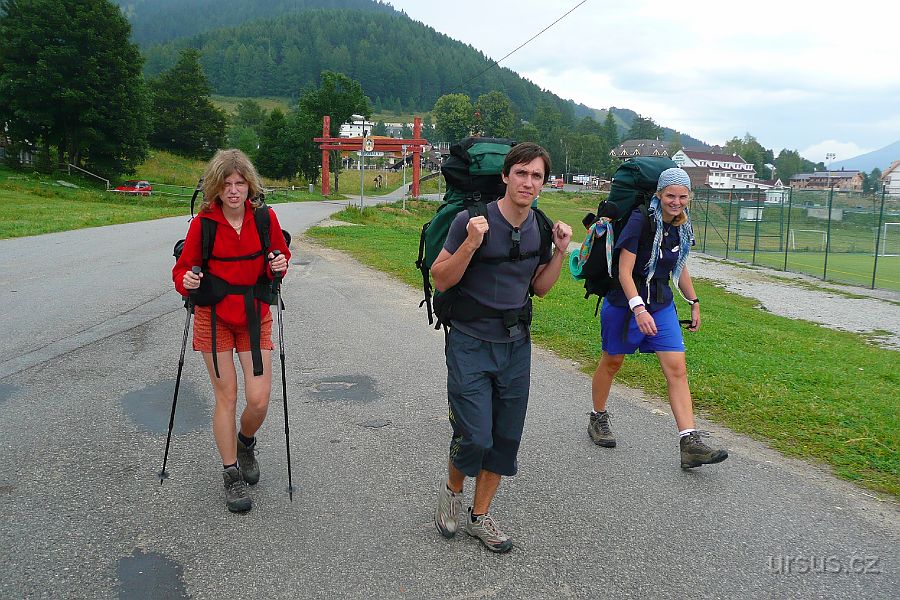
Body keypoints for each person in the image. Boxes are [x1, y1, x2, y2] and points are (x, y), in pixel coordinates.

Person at [431, 142, 573, 552]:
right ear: (506, 176)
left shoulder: (541, 227)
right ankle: (452, 492)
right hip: (470, 343)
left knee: (505, 437)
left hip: (515, 346)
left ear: (543, 184)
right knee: (475, 435)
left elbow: (540, 288)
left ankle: (480, 517)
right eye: (522, 173)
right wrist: (471, 245)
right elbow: (441, 278)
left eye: (537, 176)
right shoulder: (469, 221)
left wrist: (560, 253)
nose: (528, 182)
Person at [173, 149, 291, 513]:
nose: (234, 191)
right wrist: (188, 280)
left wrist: (280, 264)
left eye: (240, 183)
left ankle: (245, 442)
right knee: (226, 396)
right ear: (217, 189)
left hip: (254, 315)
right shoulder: (204, 224)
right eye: (227, 185)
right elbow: (181, 273)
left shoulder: (265, 219)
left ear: (250, 186)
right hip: (213, 318)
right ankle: (231, 474)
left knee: (258, 400)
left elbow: (281, 262)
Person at [587, 167, 728, 469]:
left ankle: (689, 443)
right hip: (625, 303)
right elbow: (625, 272)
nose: (676, 202)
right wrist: (638, 308)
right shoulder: (641, 220)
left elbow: (680, 267)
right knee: (612, 362)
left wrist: (694, 301)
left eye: (682, 196)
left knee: (677, 369)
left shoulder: (682, 226)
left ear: (689, 197)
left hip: (661, 304)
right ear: (659, 194)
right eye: (670, 195)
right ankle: (598, 417)